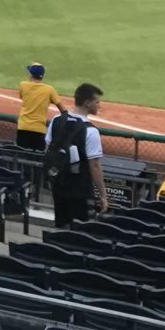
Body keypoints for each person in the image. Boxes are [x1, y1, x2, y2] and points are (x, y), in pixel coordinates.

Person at [45, 83, 108, 228]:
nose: (99, 105)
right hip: (81, 189)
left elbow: (48, 150)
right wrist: (103, 196)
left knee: (61, 226)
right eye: (97, 102)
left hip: (58, 185)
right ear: (87, 103)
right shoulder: (91, 131)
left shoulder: (56, 120)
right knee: (81, 231)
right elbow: (95, 166)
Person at [16, 63, 64, 150]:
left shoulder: (23, 85)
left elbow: (22, 97)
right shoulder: (50, 89)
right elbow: (63, 109)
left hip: (23, 127)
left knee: (21, 156)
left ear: (31, 74)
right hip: (39, 130)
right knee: (37, 159)